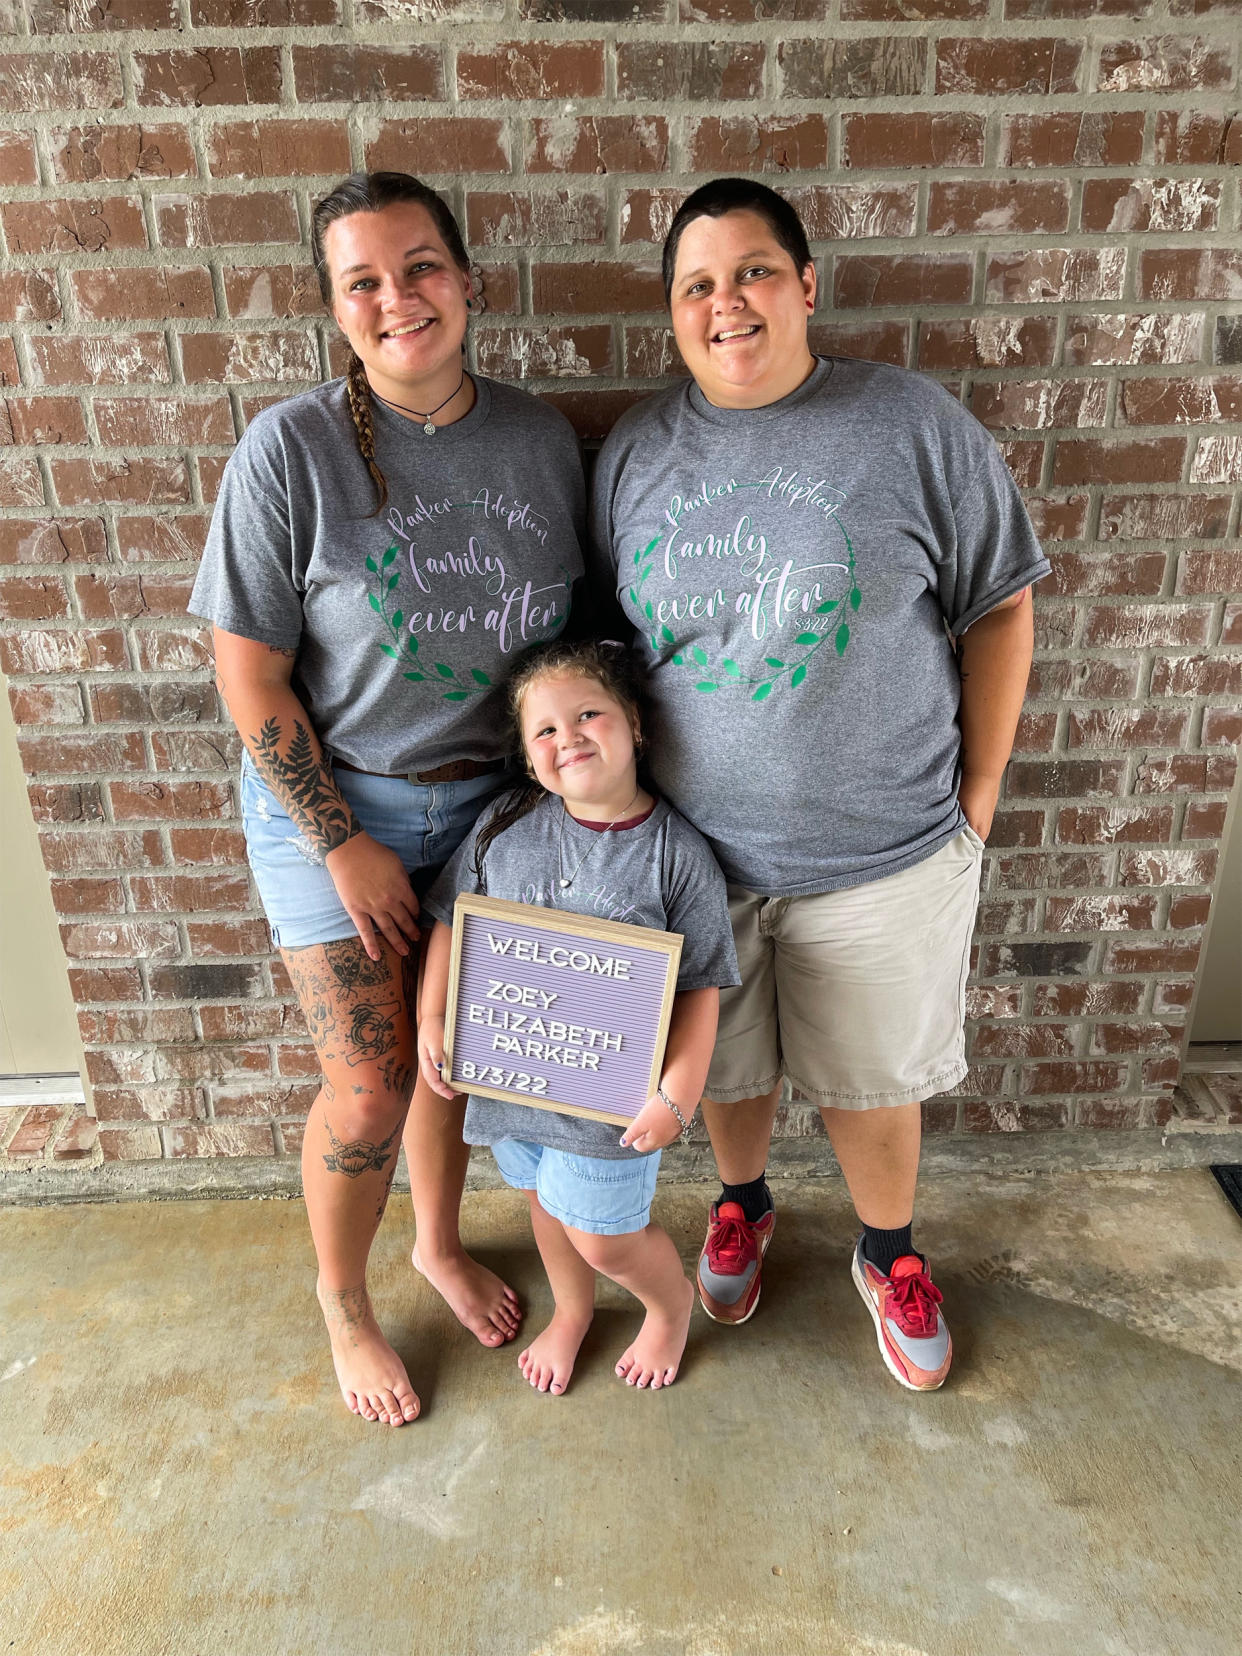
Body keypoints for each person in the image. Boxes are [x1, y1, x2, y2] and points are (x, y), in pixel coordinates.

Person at [590, 177, 1050, 1391]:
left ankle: (888, 1252)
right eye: (697, 285)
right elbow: (615, 647)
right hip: (697, 859)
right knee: (728, 1072)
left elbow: (1003, 605)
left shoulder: (909, 425)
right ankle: (742, 1204)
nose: (725, 302)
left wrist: (984, 788)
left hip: (886, 848)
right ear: (675, 315)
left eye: (750, 271)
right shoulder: (636, 449)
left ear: (805, 285)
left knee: (871, 1085)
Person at [188, 172, 587, 1426]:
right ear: (336, 309)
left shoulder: (537, 440)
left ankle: (439, 1242)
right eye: (362, 280)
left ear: (468, 280)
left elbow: (572, 636)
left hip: (488, 815)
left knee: (455, 1065)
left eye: (419, 267)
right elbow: (247, 675)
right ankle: (345, 1304)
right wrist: (342, 838)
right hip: (330, 808)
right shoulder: (289, 451)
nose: (397, 298)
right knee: (369, 1085)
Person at [416, 640, 740, 1394]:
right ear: (529, 760)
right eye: (546, 731)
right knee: (546, 1205)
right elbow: (452, 919)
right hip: (515, 1081)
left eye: (588, 714)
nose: (570, 737)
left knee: (604, 1233)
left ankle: (667, 1307)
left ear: (634, 723)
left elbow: (700, 986)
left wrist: (677, 1095)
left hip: (611, 1103)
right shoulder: (503, 823)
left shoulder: (676, 855)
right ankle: (573, 1312)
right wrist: (434, 1016)